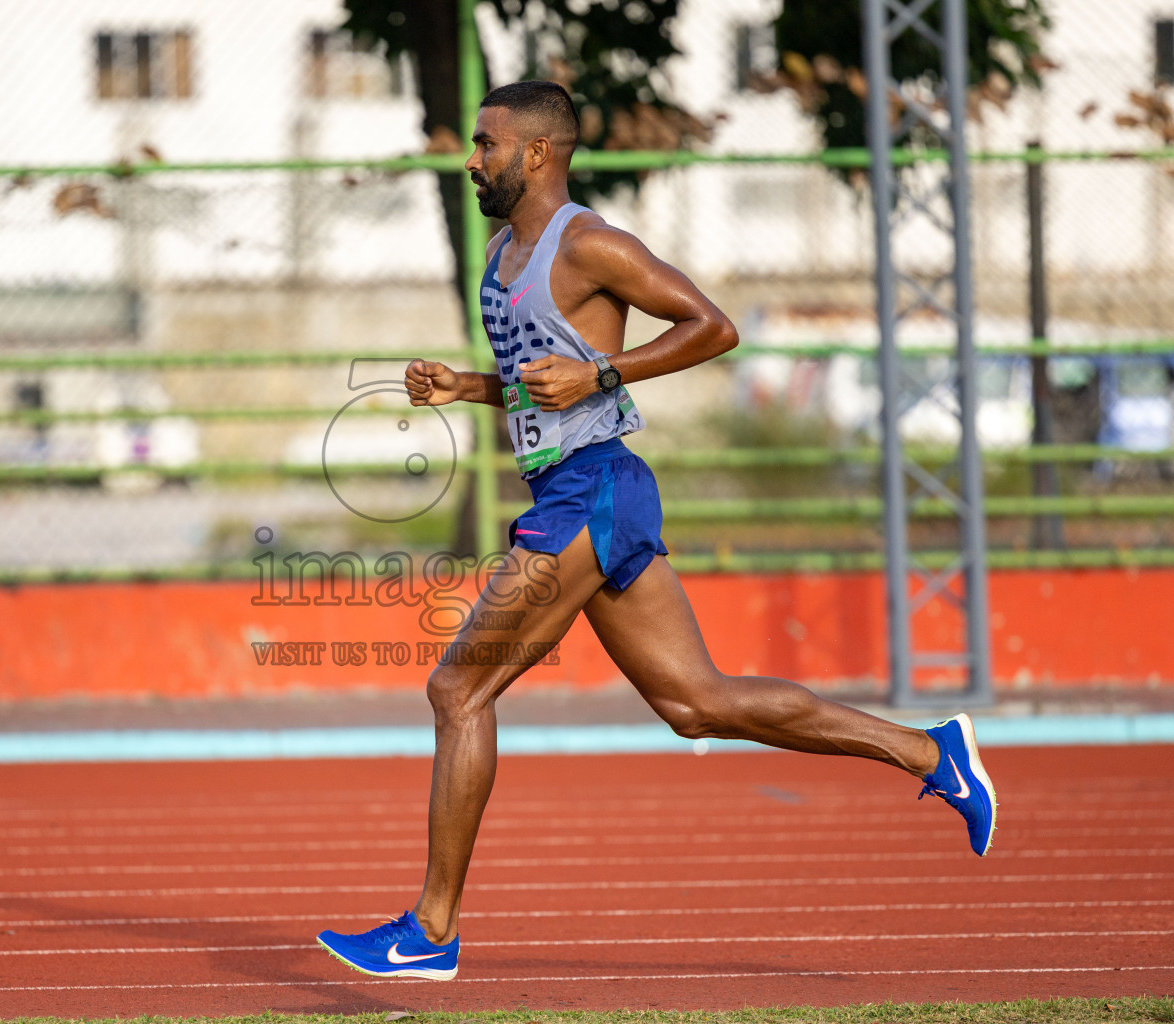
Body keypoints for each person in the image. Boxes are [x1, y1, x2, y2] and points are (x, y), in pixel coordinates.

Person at [316, 81, 997, 983]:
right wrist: (466, 387)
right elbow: (539, 377)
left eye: (485, 144)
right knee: (695, 705)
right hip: (588, 492)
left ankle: (430, 933)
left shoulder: (590, 242)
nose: (470, 158)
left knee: (458, 692)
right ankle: (928, 750)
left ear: (536, 154)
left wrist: (604, 372)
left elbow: (711, 328)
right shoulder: (498, 253)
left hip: (592, 492)